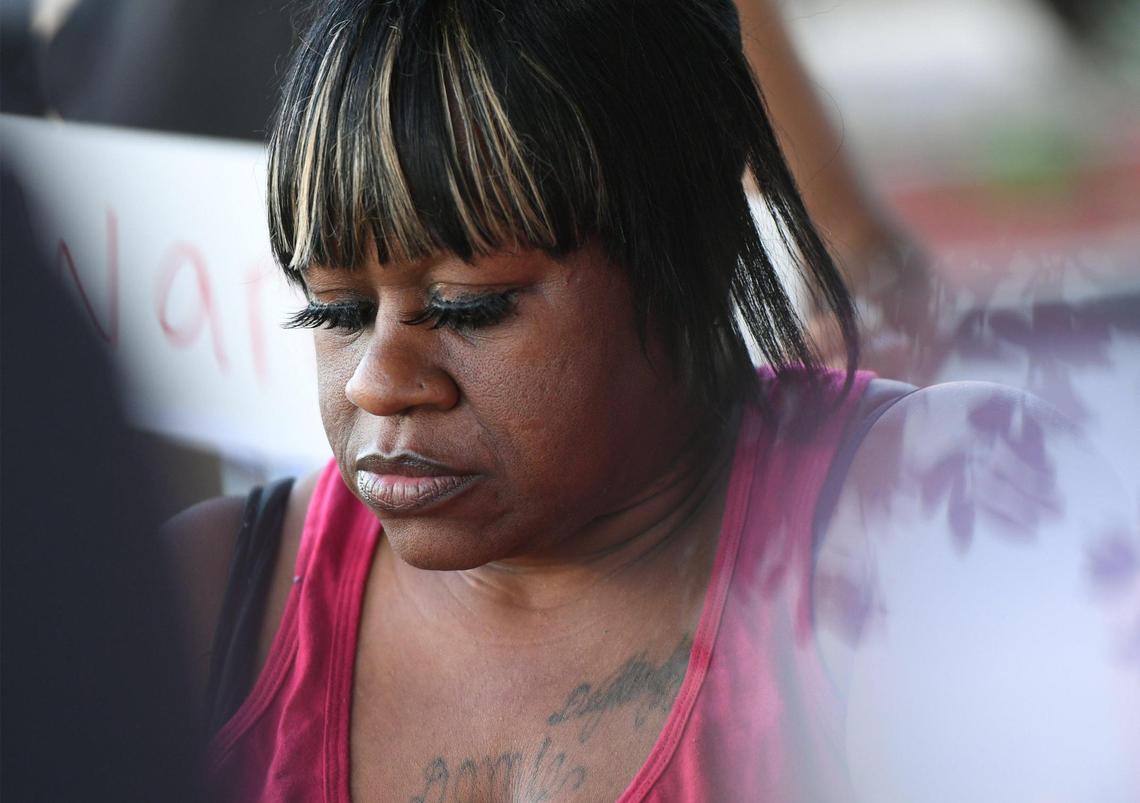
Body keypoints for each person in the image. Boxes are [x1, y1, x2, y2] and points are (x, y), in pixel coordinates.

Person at [164, 2, 1139, 801]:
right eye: (332, 311)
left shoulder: (941, 515)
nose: (380, 379)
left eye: (469, 305)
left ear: (690, 253)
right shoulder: (208, 600)